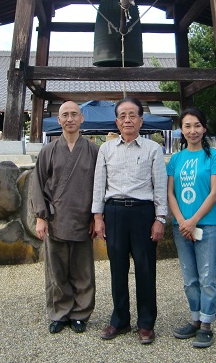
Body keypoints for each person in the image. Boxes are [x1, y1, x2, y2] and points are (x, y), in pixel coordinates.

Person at [92, 97, 167, 345]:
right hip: (114, 213)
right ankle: (120, 319)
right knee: (117, 269)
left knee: (145, 269)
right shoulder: (106, 149)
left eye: (132, 115)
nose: (127, 120)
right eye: (123, 115)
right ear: (116, 121)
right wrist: (98, 216)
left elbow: (159, 187)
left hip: (143, 213)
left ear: (141, 120)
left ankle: (146, 323)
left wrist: (160, 219)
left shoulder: (153, 149)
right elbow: (98, 185)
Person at [30, 101, 99, 334]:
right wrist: (40, 217)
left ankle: (80, 313)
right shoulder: (48, 151)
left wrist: (96, 216)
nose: (70, 119)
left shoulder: (92, 150)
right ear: (58, 121)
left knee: (83, 270)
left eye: (74, 115)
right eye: (65, 115)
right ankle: (59, 313)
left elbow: (100, 186)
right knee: (56, 270)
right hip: (55, 218)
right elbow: (37, 184)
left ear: (82, 119)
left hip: (82, 218)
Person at [167, 107, 216, 349]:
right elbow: (170, 193)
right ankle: (194, 318)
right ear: (181, 130)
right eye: (187, 126)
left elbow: (214, 193)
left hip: (207, 225)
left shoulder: (214, 156)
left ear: (204, 128)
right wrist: (182, 221)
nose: (192, 131)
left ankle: (206, 324)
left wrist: (193, 221)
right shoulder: (176, 159)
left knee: (207, 277)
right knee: (189, 278)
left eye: (197, 125)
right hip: (180, 226)